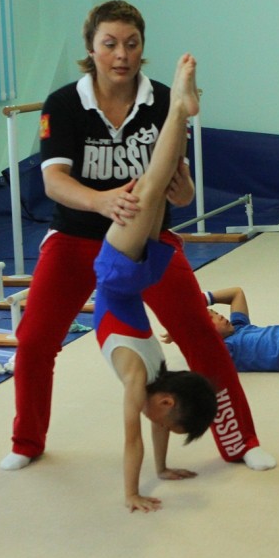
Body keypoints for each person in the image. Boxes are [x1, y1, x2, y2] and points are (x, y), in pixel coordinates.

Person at [0, 0, 274, 473]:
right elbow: (53, 182)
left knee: (200, 336)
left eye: (131, 44)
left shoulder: (160, 98)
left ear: (142, 47)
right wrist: (101, 201)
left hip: (148, 239)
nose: (122, 55)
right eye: (110, 44)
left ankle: (241, 441)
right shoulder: (64, 104)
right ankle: (27, 441)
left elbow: (180, 186)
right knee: (35, 341)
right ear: (91, 48)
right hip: (75, 236)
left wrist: (185, 192)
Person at [94, 53, 216, 512]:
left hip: (134, 279)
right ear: (166, 402)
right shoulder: (139, 378)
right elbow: (134, 439)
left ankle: (180, 107)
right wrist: (132, 493)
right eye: (170, 423)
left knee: (158, 185)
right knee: (152, 185)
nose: (163, 428)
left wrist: (162, 470)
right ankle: (179, 107)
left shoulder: (158, 376)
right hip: (118, 276)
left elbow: (157, 424)